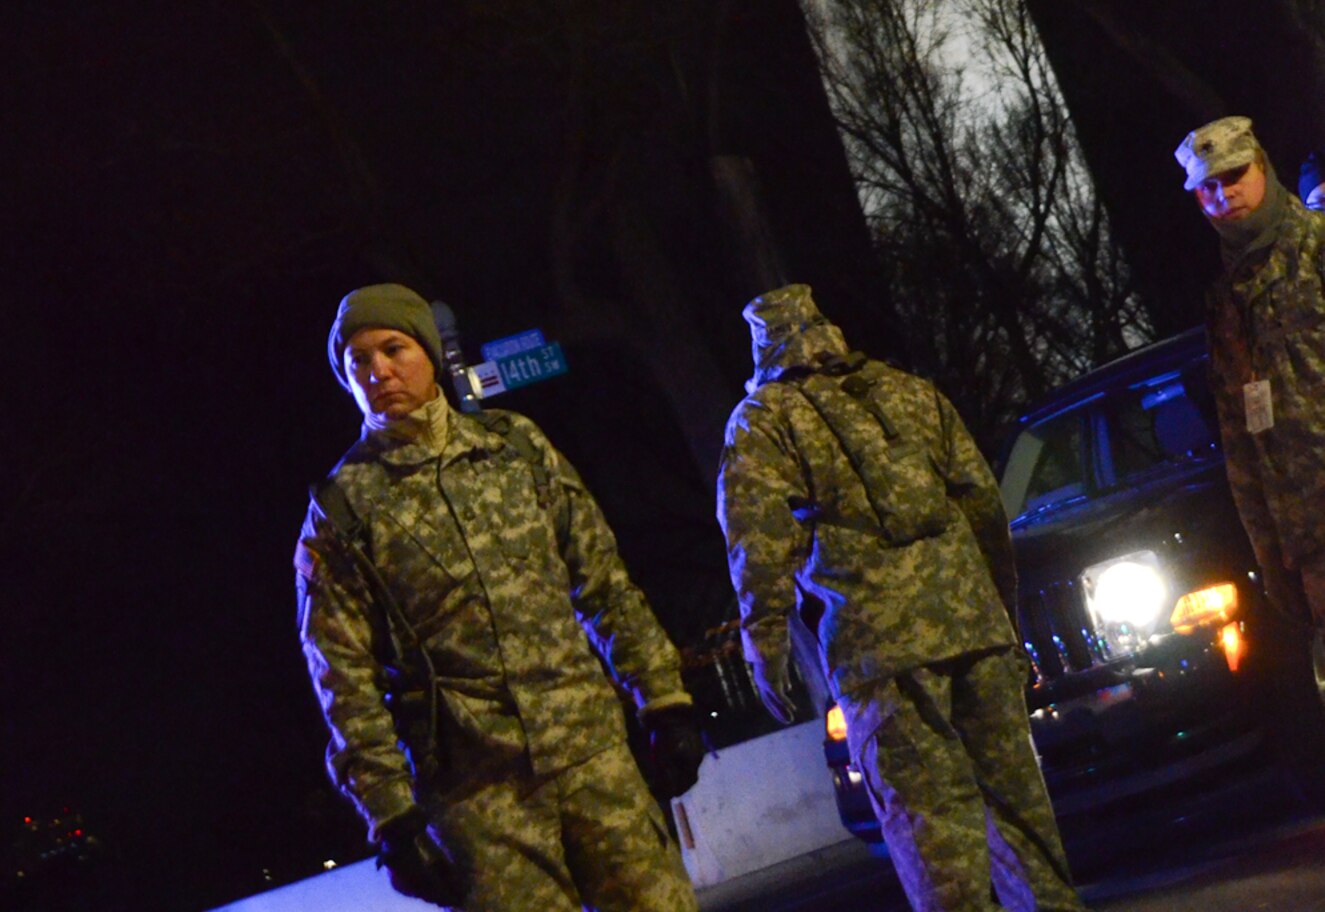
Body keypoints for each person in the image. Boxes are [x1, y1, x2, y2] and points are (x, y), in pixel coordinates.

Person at [296, 282, 704, 911]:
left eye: (392, 348)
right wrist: (392, 819)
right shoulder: (342, 509)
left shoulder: (514, 449)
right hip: (479, 802)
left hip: (594, 760)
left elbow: (602, 583)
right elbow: (341, 677)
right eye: (358, 363)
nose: (378, 371)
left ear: (429, 353)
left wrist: (664, 701)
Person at [715, 283, 1083, 912]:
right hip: (974, 630)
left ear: (763, 347)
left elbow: (757, 539)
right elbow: (984, 509)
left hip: (880, 654)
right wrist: (1000, 614)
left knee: (933, 835)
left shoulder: (764, 421)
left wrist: (764, 640)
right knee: (1024, 821)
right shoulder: (911, 392)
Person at [1176, 115, 1325, 632]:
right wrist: (1269, 551)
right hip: (1308, 545)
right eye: (1209, 186)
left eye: (1236, 175)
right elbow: (1242, 440)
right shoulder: (1226, 301)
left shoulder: (1317, 249)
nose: (1226, 194)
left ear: (1263, 168)